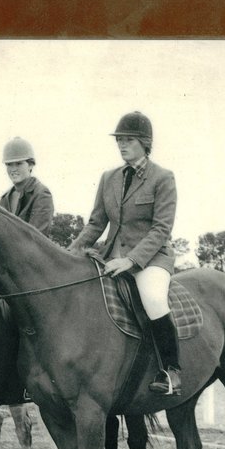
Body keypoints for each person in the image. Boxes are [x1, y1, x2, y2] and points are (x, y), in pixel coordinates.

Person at [68, 111, 181, 395]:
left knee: (154, 299)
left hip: (151, 259)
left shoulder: (163, 178)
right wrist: (71, 252)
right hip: (110, 257)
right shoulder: (109, 178)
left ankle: (171, 371)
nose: (121, 145)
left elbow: (161, 229)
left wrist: (131, 260)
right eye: (119, 140)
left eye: (128, 140)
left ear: (145, 142)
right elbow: (96, 223)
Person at [0, 137, 54, 236]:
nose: (13, 169)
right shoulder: (4, 199)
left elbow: (35, 238)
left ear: (31, 165)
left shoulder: (41, 194)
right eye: (9, 164)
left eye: (19, 164)